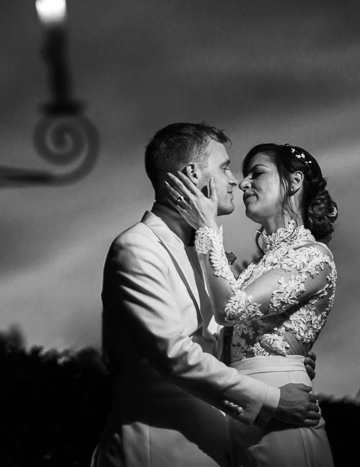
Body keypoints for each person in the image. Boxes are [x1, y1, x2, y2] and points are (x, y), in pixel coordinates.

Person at [93, 124, 320, 467]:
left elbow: (216, 345)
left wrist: (272, 355)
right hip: (159, 448)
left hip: (221, 447)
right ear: (192, 174)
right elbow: (173, 353)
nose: (235, 181)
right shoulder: (136, 247)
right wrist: (273, 399)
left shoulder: (205, 255)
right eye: (225, 167)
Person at [165, 142, 338, 467]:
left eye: (256, 173)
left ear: (295, 181)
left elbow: (231, 308)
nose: (243, 183)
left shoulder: (312, 255)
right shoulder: (260, 267)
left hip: (282, 417)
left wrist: (206, 228)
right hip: (241, 407)